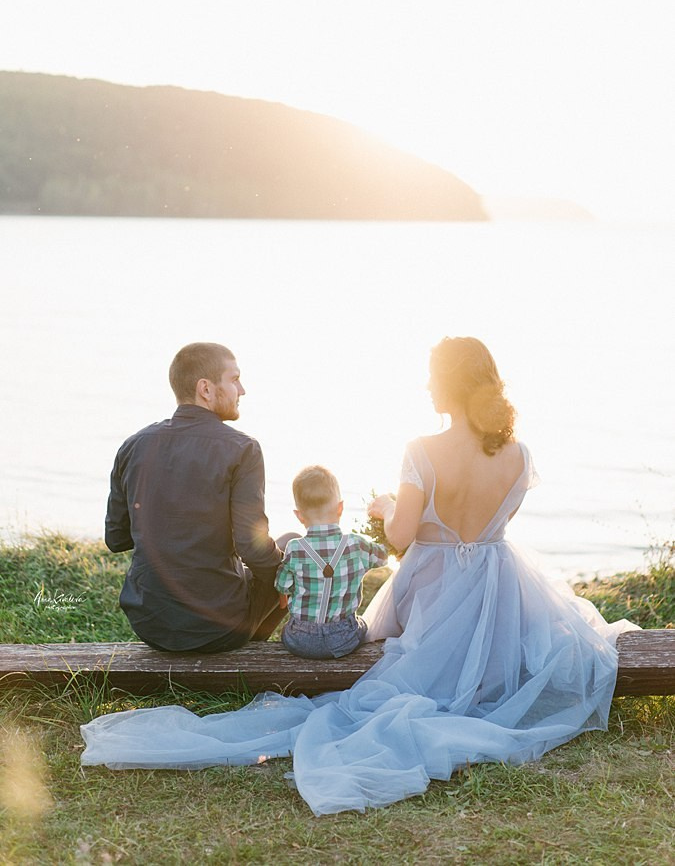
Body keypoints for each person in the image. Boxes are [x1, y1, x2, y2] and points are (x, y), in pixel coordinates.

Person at [82, 337, 639, 816]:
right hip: (500, 584)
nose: (426, 386)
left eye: (431, 378)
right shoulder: (519, 453)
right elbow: (498, 523)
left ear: (449, 385)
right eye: (235, 380)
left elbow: (401, 537)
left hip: (423, 588)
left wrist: (387, 506)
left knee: (341, 597)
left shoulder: (423, 450)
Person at [105, 342, 287, 653]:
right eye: (234, 379)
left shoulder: (134, 445)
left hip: (151, 624)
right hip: (219, 627)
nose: (242, 390)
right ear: (205, 389)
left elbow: (116, 538)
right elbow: (251, 547)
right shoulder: (243, 449)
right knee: (291, 546)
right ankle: (249, 644)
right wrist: (283, 580)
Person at [276, 465, 388, 659]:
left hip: (299, 639)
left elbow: (282, 586)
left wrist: (285, 600)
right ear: (340, 508)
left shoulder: (294, 548)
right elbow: (384, 556)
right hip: (343, 639)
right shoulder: (356, 545)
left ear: (299, 515)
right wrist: (386, 519)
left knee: (289, 628)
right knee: (362, 624)